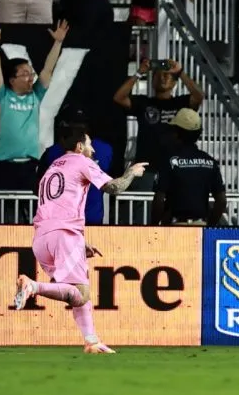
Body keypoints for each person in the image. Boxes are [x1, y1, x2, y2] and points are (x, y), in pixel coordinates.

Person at [13, 124, 147, 354]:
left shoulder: (52, 168)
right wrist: (131, 173)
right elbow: (114, 188)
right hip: (65, 234)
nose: (93, 150)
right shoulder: (82, 162)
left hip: (42, 238)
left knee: (77, 290)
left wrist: (79, 244)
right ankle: (32, 286)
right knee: (80, 294)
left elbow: (56, 204)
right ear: (79, 147)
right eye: (89, 144)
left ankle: (91, 341)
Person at [0, 20, 68, 191]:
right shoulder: (2, 97)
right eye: (24, 74)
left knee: (31, 212)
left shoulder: (36, 95)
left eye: (31, 73)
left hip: (30, 166)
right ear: (12, 80)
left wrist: (58, 42)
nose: (30, 77)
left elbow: (48, 69)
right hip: (3, 165)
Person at [113, 58, 204, 187]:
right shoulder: (144, 103)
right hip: (146, 168)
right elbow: (119, 97)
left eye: (167, 75)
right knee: (142, 206)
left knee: (171, 206)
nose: (163, 78)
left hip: (174, 166)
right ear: (152, 82)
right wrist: (139, 72)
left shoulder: (180, 103)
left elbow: (199, 96)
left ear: (174, 83)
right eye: (158, 75)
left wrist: (180, 72)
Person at [38, 106, 112, 226]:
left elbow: (112, 180)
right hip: (65, 223)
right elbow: (39, 185)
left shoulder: (105, 149)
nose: (81, 129)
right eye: (76, 126)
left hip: (88, 222)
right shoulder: (52, 152)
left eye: (82, 125)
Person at [151, 109, 226, 226]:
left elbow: (159, 200)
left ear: (177, 133)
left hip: (175, 227)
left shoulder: (170, 161)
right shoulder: (210, 162)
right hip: (201, 226)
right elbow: (221, 201)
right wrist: (210, 226)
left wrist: (154, 226)